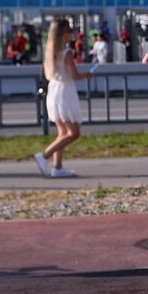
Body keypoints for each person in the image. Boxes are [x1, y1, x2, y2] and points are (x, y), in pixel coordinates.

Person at [35, 19, 94, 178]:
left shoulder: (51, 52)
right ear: (62, 34)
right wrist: (87, 76)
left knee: (62, 132)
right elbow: (74, 75)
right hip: (65, 91)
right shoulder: (66, 52)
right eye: (69, 31)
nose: (71, 34)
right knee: (74, 133)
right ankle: (45, 155)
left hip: (54, 90)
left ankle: (57, 167)